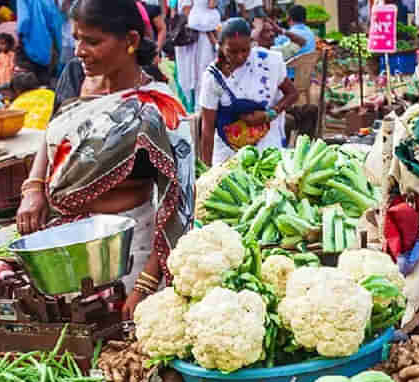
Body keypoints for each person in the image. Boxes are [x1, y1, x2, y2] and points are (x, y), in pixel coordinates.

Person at [16, 0, 194, 320]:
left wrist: (146, 283)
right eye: (78, 39)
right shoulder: (74, 76)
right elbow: (52, 130)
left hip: (127, 251)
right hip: (66, 243)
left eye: (93, 41)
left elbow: (180, 202)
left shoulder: (158, 107)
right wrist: (33, 187)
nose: (80, 51)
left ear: (131, 41)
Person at [198, 18, 298, 167]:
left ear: (251, 43)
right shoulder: (213, 77)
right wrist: (206, 171)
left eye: (245, 50)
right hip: (229, 154)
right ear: (220, 47)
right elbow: (207, 129)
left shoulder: (268, 62)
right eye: (232, 52)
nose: (240, 57)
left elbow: (292, 94)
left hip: (267, 149)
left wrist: (269, 114)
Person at [175, 0, 219, 107]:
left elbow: (212, 5)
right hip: (194, 36)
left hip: (198, 34)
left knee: (199, 74)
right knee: (199, 74)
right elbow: (187, 9)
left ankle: (197, 107)